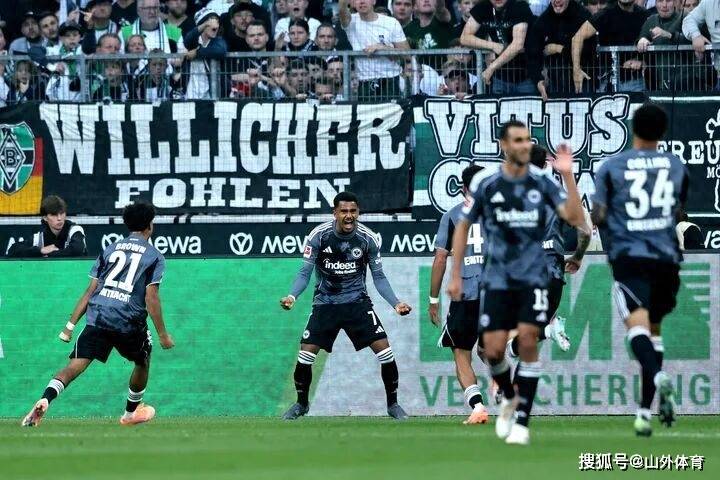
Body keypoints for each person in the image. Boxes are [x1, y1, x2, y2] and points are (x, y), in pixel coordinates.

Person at [448, 121, 585, 445]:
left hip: (533, 276)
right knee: (493, 351)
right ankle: (508, 395)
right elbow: (463, 226)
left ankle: (521, 421)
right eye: (517, 140)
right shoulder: (486, 182)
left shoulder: (542, 181)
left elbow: (575, 218)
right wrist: (455, 276)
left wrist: (567, 175)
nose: (524, 145)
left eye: (526, 140)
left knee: (526, 342)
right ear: (503, 145)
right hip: (497, 278)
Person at [21, 201, 175, 428]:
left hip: (99, 315)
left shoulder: (110, 249)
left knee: (73, 367)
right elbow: (151, 297)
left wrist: (69, 327)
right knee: (142, 361)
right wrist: (163, 335)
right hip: (127, 320)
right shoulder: (154, 256)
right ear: (149, 226)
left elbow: (90, 291)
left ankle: (46, 398)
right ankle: (130, 414)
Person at [591, 103, 688, 436]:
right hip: (666, 258)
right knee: (654, 333)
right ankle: (644, 413)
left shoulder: (611, 167)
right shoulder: (676, 165)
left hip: (631, 256)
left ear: (633, 128)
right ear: (663, 132)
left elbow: (598, 215)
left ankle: (659, 377)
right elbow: (677, 209)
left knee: (637, 329)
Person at [279, 192, 412, 421]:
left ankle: (393, 405)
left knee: (385, 351)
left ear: (358, 212)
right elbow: (304, 273)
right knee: (305, 355)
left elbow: (379, 277)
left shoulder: (368, 239)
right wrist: (292, 296)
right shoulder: (319, 236)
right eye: (344, 211)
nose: (349, 216)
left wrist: (396, 303)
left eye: (353, 211)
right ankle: (301, 404)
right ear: (335, 213)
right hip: (325, 303)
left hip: (357, 303)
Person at [503, 145, 592, 373]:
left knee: (513, 338)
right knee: (525, 340)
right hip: (553, 273)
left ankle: (546, 333)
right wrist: (578, 257)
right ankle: (544, 334)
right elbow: (585, 231)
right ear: (545, 165)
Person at [429, 165, 490, 425]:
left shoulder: (452, 215)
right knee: (489, 350)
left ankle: (478, 407)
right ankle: (504, 383)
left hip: (466, 293)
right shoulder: (499, 213)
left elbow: (441, 258)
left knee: (461, 352)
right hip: (496, 290)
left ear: (463, 187)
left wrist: (433, 300)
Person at [571, 0, 649, 93]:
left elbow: (654, 41)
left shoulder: (644, 15)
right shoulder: (605, 14)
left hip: (635, 81)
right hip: (607, 82)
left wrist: (642, 61)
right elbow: (577, 37)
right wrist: (576, 70)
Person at [460, 0, 535, 95]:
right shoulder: (483, 7)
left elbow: (518, 45)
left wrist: (491, 68)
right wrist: (493, 46)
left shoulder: (519, 5)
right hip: (500, 76)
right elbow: (464, 38)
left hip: (526, 75)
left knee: (527, 105)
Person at [340, 0, 409, 101]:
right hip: (365, 82)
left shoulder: (391, 22)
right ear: (353, 3)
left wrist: (383, 48)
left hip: (391, 80)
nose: (362, 1)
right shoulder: (351, 22)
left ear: (374, 1)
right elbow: (342, 9)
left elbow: (407, 54)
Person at [527, 0, 591, 100]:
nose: (557, 1)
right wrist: (538, 80)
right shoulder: (543, 20)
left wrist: (558, 48)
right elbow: (532, 53)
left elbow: (588, 51)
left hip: (583, 80)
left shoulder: (582, 15)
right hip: (554, 82)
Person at [7, 195, 87, 258]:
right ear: (45, 217)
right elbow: (12, 250)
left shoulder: (75, 230)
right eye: (54, 215)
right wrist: (41, 250)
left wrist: (50, 254)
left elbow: (77, 250)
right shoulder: (39, 238)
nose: (59, 218)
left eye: (62, 213)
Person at [637, 0, 686, 90]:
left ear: (675, 2)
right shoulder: (651, 20)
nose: (664, 5)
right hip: (657, 82)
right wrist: (642, 40)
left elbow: (691, 40)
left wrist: (670, 35)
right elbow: (640, 38)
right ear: (655, 3)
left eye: (668, 1)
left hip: (684, 81)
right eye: (660, 1)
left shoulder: (684, 17)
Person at [184, 8, 228, 99]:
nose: (215, 26)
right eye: (210, 22)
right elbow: (187, 40)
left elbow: (220, 51)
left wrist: (197, 52)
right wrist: (205, 24)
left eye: (217, 22)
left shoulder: (217, 41)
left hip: (210, 95)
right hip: (191, 94)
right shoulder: (194, 42)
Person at [121, 0, 186, 54]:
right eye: (148, 8)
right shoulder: (124, 33)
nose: (152, 12)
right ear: (139, 11)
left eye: (155, 8)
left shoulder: (174, 32)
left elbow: (182, 56)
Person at [45, 21, 84, 102]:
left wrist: (71, 57)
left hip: (80, 100)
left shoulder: (83, 50)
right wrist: (53, 67)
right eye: (67, 35)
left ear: (80, 37)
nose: (72, 38)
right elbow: (34, 51)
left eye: (75, 35)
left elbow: (91, 49)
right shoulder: (55, 50)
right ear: (61, 38)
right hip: (59, 101)